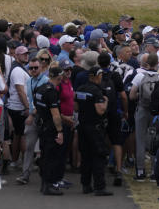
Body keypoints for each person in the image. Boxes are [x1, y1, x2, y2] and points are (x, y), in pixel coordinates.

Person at [75, 65, 112, 195]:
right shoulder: (97, 91)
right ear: (95, 77)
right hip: (95, 128)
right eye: (100, 76)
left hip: (83, 126)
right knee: (98, 156)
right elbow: (100, 110)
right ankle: (99, 187)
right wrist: (106, 101)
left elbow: (76, 108)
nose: (101, 78)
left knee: (85, 156)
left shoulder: (80, 89)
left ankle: (86, 185)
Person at [34, 65, 66, 195]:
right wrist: (60, 131)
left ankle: (44, 184)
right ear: (59, 77)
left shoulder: (39, 88)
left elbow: (36, 107)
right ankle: (49, 185)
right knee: (51, 157)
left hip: (42, 125)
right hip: (50, 127)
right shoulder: (51, 92)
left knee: (45, 155)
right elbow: (56, 115)